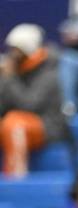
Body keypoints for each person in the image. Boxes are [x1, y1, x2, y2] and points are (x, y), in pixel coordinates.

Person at [0, 24, 67, 176]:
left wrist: (10, 79)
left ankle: (16, 179)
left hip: (47, 127)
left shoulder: (50, 73)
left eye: (16, 50)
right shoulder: (14, 70)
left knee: (13, 123)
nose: (12, 54)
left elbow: (29, 104)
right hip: (17, 122)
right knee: (11, 121)